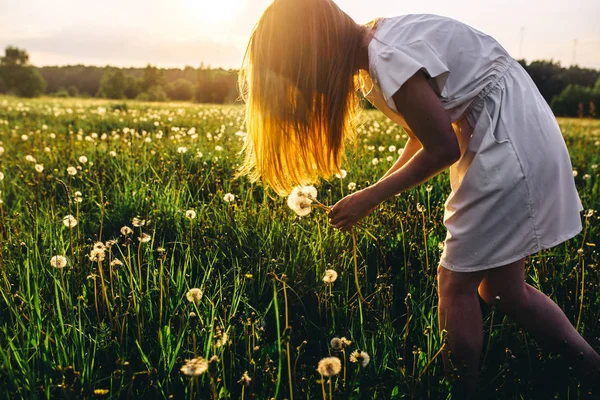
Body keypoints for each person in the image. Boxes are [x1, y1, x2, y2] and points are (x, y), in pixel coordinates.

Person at [237, 0, 600, 396]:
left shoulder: (385, 56)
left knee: (455, 284)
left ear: (313, 53)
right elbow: (422, 134)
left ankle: (463, 392)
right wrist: (369, 192)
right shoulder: (380, 44)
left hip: (504, 141)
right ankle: (592, 369)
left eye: (297, 73)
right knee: (502, 291)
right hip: (513, 130)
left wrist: (370, 198)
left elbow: (443, 148)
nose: (303, 85)